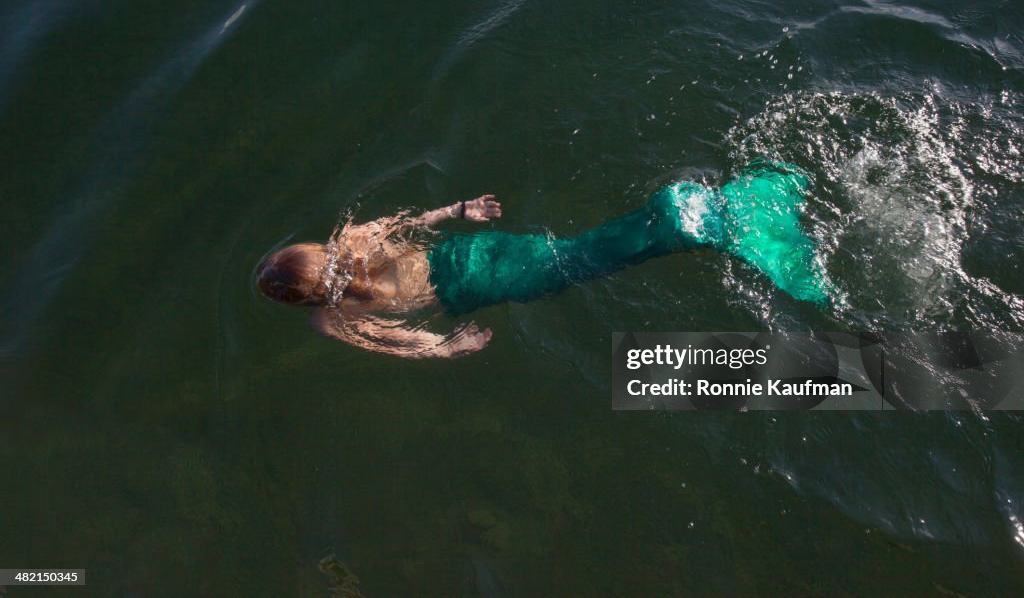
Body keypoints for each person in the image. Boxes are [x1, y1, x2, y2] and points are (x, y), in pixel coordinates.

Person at [256, 163, 832, 358]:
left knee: (584, 261)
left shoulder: (332, 318)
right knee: (575, 250)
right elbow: (412, 223)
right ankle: (684, 219)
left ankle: (690, 223)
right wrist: (462, 208)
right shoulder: (352, 238)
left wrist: (446, 346)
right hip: (475, 251)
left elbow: (394, 342)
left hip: (481, 283)